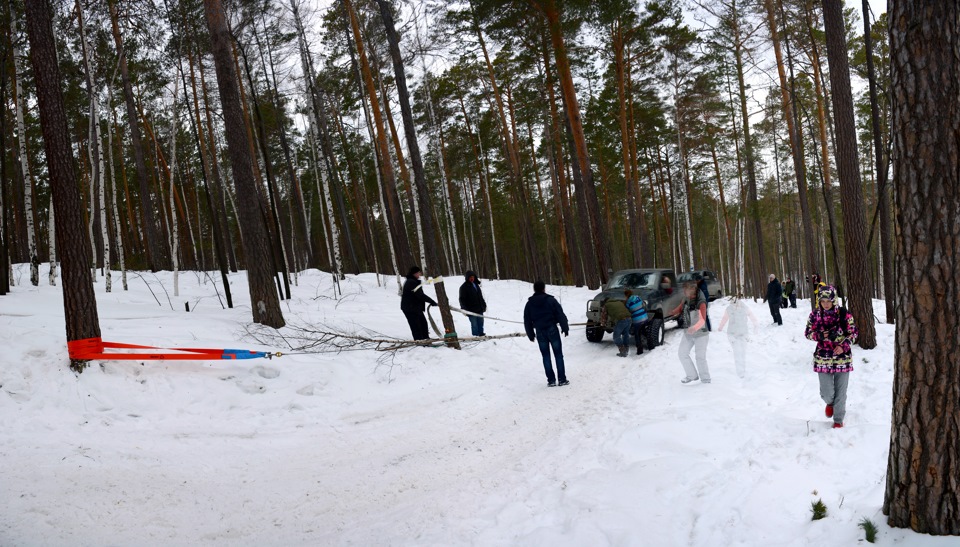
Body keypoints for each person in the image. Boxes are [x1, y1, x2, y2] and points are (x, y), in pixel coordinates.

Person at [804, 285, 858, 428]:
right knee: (827, 392)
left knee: (841, 391)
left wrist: (843, 346)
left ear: (834, 300)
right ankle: (830, 403)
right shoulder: (814, 315)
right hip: (823, 358)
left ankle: (838, 420)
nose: (826, 304)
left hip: (843, 358)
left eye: (829, 301)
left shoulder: (844, 315)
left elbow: (853, 333)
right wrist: (819, 335)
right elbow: (808, 333)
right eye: (823, 301)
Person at [523, 280, 570, 386]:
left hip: (540, 331)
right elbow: (560, 314)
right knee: (558, 355)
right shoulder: (551, 300)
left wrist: (530, 334)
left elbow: (527, 320)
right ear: (544, 288)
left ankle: (551, 380)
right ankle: (562, 379)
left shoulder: (529, 304)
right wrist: (565, 327)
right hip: (552, 329)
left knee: (545, 356)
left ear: (534, 289)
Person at [668, 280, 711, 384]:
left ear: (692, 289)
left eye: (685, 289)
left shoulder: (701, 302)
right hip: (689, 333)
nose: (684, 291)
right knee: (682, 353)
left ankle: (706, 380)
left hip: (701, 333)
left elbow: (702, 320)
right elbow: (680, 308)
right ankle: (692, 375)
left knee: (700, 357)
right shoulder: (686, 299)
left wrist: (694, 328)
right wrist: (673, 312)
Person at [717, 295, 758, 378]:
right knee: (737, 353)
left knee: (742, 353)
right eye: (732, 303)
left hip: (743, 333)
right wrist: (720, 328)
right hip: (732, 335)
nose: (734, 304)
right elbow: (724, 319)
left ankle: (742, 371)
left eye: (735, 302)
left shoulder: (745, 308)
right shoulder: (729, 309)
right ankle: (740, 373)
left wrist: (756, 326)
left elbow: (752, 317)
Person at [401, 266, 437, 341]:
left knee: (423, 323)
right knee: (416, 326)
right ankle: (419, 341)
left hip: (415, 308)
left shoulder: (413, 281)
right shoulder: (411, 282)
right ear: (414, 273)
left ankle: (425, 339)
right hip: (410, 308)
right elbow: (420, 295)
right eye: (418, 272)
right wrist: (431, 301)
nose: (419, 274)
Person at [459, 270, 487, 337]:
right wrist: (464, 308)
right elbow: (462, 299)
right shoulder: (463, 287)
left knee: (481, 322)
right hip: (471, 310)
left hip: (479, 309)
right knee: (474, 324)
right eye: (470, 277)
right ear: (467, 278)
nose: (472, 278)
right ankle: (475, 336)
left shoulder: (476, 285)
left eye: (473, 277)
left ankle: (481, 334)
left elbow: (480, 296)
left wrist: (484, 305)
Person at [625, 289, 650, 355]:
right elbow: (643, 304)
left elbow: (628, 311)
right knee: (644, 331)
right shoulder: (637, 297)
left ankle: (640, 349)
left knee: (637, 334)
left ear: (626, 295)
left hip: (637, 320)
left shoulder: (628, 302)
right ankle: (650, 344)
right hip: (644, 317)